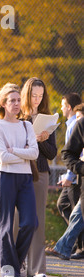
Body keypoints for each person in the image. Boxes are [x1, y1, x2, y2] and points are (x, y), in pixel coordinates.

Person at [0, 83, 39, 277]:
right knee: (6, 226)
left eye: (19, 100)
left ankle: (16, 262)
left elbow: (34, 153)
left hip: (25, 178)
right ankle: (8, 271)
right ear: (3, 103)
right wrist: (23, 152)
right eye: (12, 100)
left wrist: (15, 151)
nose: (17, 104)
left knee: (30, 223)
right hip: (5, 177)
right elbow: (2, 156)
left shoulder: (27, 125)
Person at [20, 77, 57, 277]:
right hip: (20, 172)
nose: (37, 99)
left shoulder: (47, 119)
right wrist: (31, 139)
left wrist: (41, 140)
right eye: (34, 95)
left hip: (41, 173)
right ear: (27, 95)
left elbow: (52, 153)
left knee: (38, 221)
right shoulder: (18, 117)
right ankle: (20, 264)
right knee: (21, 220)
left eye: (40, 95)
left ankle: (38, 268)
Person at [54, 94, 83, 255]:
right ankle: (71, 245)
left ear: (69, 107)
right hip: (74, 173)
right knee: (73, 209)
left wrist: (69, 177)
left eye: (63, 105)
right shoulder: (72, 124)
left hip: (75, 175)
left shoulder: (74, 125)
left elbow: (74, 154)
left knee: (76, 212)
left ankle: (72, 246)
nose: (61, 108)